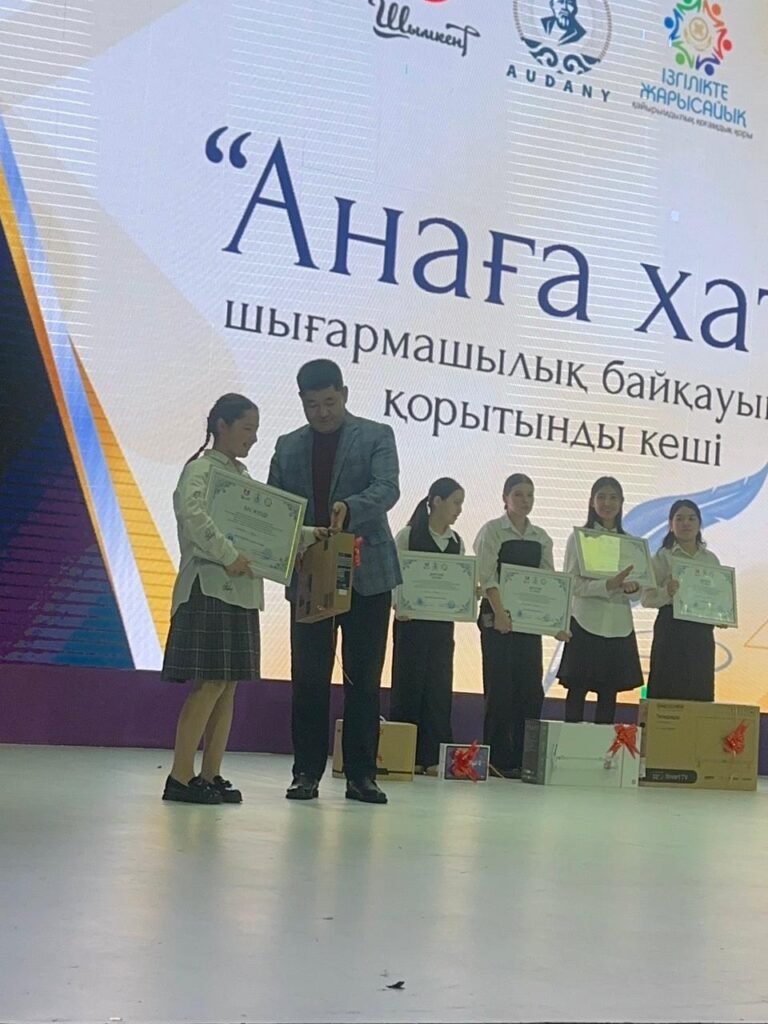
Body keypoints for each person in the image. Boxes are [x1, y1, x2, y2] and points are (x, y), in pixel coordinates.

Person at [267, 359, 401, 805]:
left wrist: (349, 507)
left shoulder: (377, 435)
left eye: (329, 402)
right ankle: (305, 772)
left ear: (344, 394)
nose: (322, 412)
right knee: (308, 677)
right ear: (301, 401)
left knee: (364, 680)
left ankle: (362, 775)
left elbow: (388, 488)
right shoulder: (287, 446)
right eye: (312, 404)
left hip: (368, 575)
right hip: (312, 574)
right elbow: (276, 505)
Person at [160, 394, 262, 805]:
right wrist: (228, 554)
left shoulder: (243, 477)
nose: (253, 438)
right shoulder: (200, 470)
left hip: (240, 591)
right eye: (247, 428)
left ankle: (210, 773)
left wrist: (308, 536)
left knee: (228, 685)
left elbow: (268, 530)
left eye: (255, 430)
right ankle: (180, 776)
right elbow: (192, 515)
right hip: (208, 585)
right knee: (210, 684)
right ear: (222, 425)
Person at [473, 474, 562, 778]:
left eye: (530, 495)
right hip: (497, 620)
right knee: (500, 689)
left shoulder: (541, 536)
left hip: (528, 623)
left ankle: (525, 759)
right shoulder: (492, 531)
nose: (525, 500)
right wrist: (500, 613)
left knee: (530, 690)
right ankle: (498, 759)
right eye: (519, 494)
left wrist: (555, 623)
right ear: (505, 498)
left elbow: (548, 582)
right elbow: (486, 575)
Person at [390, 478, 465, 776]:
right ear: (436, 501)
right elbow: (394, 574)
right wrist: (399, 604)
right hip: (411, 624)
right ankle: (405, 754)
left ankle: (433, 756)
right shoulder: (408, 535)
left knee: (438, 687)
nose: (459, 509)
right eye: (455, 502)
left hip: (442, 627)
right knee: (409, 685)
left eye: (461, 504)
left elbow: (458, 580)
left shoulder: (456, 541)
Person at [558, 476, 643, 724]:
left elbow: (640, 589)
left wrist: (632, 588)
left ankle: (603, 748)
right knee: (577, 691)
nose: (607, 503)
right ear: (592, 502)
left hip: (618, 626)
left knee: (609, 694)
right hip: (585, 622)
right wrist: (607, 585)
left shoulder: (631, 544)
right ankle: (571, 744)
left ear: (622, 502)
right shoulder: (580, 538)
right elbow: (572, 583)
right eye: (602, 497)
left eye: (613, 497)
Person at [641, 499, 720, 702]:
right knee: (666, 689)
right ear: (671, 524)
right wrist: (666, 592)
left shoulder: (710, 559)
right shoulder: (661, 557)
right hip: (671, 631)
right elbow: (646, 598)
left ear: (699, 523)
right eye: (680, 519)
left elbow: (718, 596)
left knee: (699, 690)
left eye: (692, 518)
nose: (686, 523)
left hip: (700, 633)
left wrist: (721, 614)